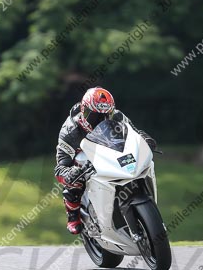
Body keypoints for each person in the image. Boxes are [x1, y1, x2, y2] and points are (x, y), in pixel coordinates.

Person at [54, 87, 156, 234]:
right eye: (95, 117)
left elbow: (135, 133)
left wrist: (145, 139)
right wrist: (69, 173)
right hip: (85, 158)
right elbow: (60, 168)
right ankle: (73, 215)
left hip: (110, 150)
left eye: (106, 116)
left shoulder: (117, 116)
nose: (101, 121)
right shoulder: (70, 131)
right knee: (75, 175)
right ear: (84, 111)